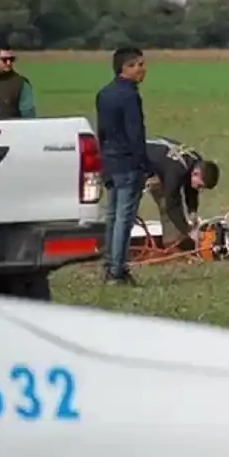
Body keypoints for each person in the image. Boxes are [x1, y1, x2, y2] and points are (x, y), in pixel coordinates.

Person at [95, 47, 149, 286]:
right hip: (128, 163)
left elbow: (102, 132)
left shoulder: (104, 93)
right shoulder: (129, 95)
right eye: (137, 64)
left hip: (110, 160)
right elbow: (135, 133)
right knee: (124, 219)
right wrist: (144, 165)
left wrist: (102, 162)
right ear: (124, 68)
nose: (142, 69)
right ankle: (117, 271)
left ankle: (109, 265)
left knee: (112, 216)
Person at [144, 136, 220, 250]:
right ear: (196, 173)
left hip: (156, 158)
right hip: (134, 160)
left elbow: (191, 187)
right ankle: (173, 243)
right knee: (166, 201)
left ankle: (173, 241)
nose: (200, 189)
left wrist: (192, 211)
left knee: (170, 200)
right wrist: (189, 231)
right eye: (200, 186)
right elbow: (172, 205)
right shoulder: (176, 172)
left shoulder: (196, 161)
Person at [0, 44, 37, 118]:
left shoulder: (21, 84)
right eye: (4, 60)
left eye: (11, 59)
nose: (9, 63)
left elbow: (28, 114)